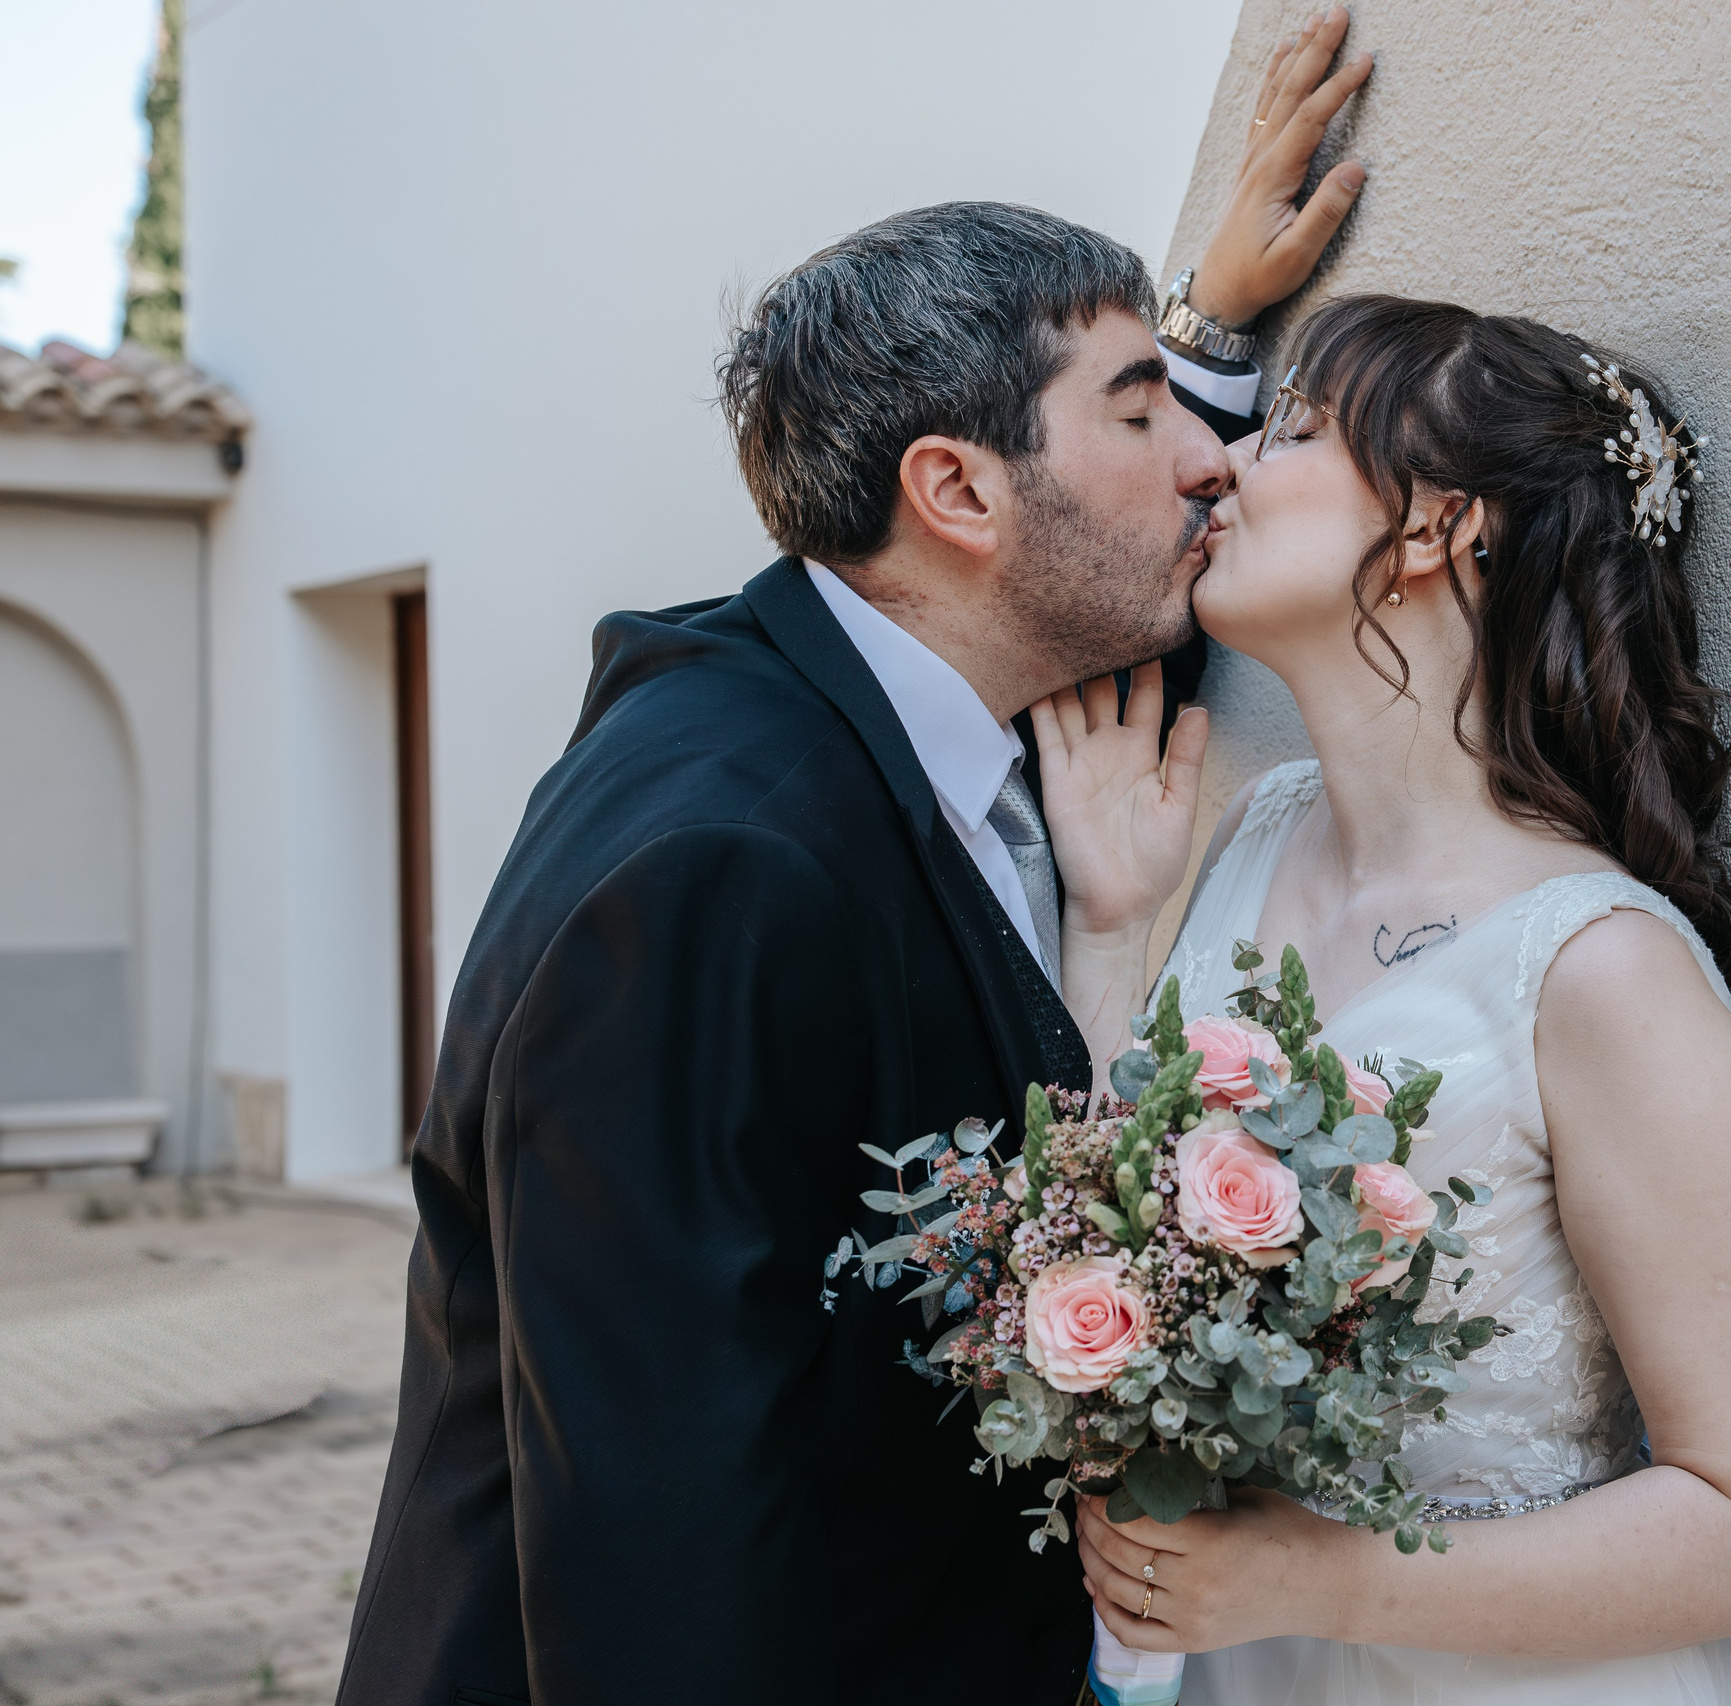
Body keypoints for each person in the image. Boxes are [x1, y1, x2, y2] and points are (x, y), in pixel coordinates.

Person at [333, 15, 1374, 1702]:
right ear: (956, 492)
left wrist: (1211, 325)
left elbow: (1140, 614)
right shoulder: (717, 864)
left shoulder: (935, 685)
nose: (1211, 460)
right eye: (1139, 412)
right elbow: (662, 1544)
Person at [1035, 296, 1731, 1704]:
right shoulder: (1262, 828)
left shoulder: (1602, 969)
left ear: (1440, 529)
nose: (1222, 466)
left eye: (1294, 431)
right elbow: (1119, 1218)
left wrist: (1313, 1575)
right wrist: (1108, 927)